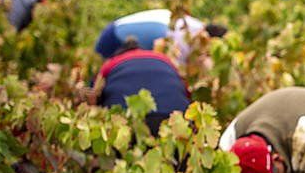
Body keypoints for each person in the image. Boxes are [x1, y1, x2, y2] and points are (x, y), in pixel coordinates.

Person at [92, 40, 191, 136]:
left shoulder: (110, 63)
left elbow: (95, 95)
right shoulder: (164, 59)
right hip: (176, 118)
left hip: (127, 123)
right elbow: (186, 91)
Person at [94, 8, 226, 65]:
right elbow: (173, 68)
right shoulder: (185, 38)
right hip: (114, 39)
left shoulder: (191, 24)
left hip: (116, 28)